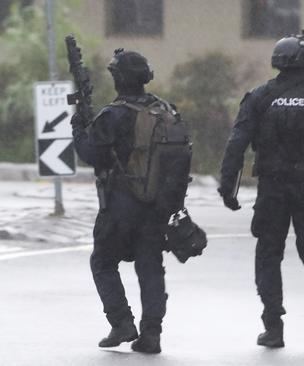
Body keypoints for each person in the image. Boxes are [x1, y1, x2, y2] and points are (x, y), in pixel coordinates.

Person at [218, 32, 304, 348]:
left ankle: (273, 326)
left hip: (272, 187)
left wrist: (228, 186)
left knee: (268, 255)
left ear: (276, 62)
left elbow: (236, 143)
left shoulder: (259, 98)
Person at [72, 49, 188, 354]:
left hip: (121, 205)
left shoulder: (113, 114)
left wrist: (78, 128)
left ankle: (121, 322)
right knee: (151, 267)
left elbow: (91, 155)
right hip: (157, 206)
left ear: (118, 79)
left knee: (102, 261)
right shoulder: (164, 110)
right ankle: (152, 334)